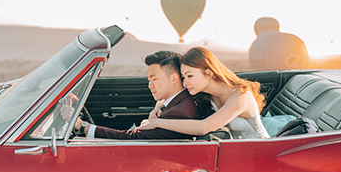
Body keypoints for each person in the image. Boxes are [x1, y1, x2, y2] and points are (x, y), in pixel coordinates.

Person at [135, 47, 270, 139]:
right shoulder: (203, 93)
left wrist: (156, 123)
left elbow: (204, 127)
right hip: (234, 150)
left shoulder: (241, 97)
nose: (185, 82)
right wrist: (157, 108)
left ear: (209, 72)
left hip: (261, 150)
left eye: (190, 76)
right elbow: (171, 93)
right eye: (183, 77)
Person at [61, 50, 201, 139]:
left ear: (174, 78)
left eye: (155, 79)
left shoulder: (179, 113)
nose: (150, 85)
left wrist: (81, 125)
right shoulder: (178, 102)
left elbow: (132, 138)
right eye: (149, 80)